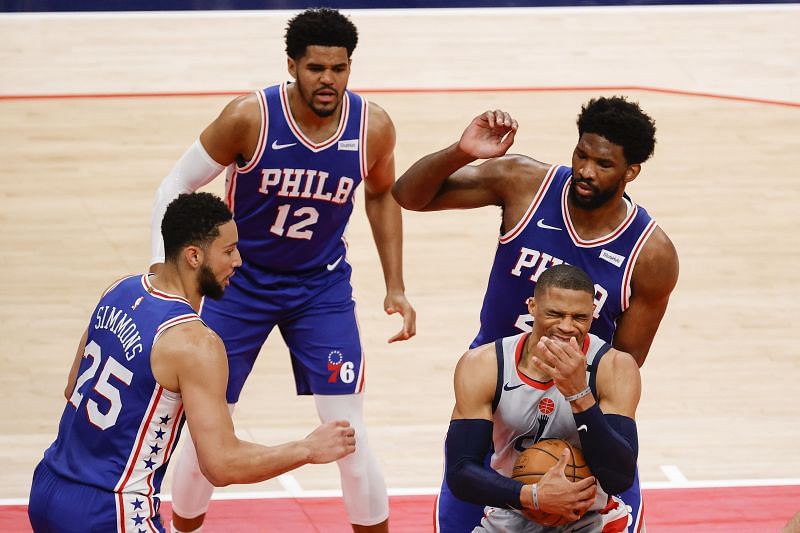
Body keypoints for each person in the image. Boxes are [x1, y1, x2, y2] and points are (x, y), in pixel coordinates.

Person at [148, 8, 414, 533]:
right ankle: (181, 527)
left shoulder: (373, 127)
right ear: (292, 65)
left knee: (345, 429)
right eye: (316, 68)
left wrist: (396, 285)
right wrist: (165, 277)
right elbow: (175, 184)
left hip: (321, 288)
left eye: (339, 69)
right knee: (206, 425)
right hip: (237, 285)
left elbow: (382, 195)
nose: (328, 80)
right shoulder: (249, 117)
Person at [392, 97, 678, 532]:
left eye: (602, 163)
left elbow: (625, 360)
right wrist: (462, 151)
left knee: (611, 487)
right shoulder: (525, 182)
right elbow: (407, 196)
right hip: (500, 385)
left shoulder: (652, 254)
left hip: (577, 396)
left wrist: (577, 408)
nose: (585, 170)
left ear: (630, 171)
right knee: (464, 497)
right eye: (581, 154)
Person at [28, 192, 356, 533]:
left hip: (49, 487)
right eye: (228, 251)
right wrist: (307, 448)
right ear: (194, 256)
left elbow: (72, 388)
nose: (239, 261)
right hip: (112, 510)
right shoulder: (197, 343)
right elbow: (222, 464)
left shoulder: (118, 290)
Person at [445, 264, 638, 532]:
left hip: (591, 518)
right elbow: (460, 472)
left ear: (593, 314)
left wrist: (579, 394)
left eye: (579, 317)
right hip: (513, 511)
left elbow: (619, 477)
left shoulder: (614, 367)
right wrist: (535, 496)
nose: (567, 327)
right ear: (532, 307)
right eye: (555, 314)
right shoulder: (485, 364)